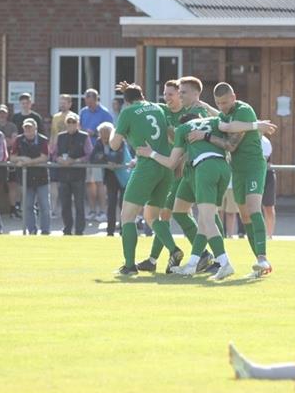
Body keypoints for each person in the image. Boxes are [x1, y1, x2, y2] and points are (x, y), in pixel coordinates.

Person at [136, 113, 276, 280]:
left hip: (204, 168)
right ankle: (193, 262)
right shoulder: (214, 120)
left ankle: (224, 263)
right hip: (222, 167)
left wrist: (150, 153)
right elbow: (231, 127)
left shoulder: (183, 129)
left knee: (207, 219)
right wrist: (257, 124)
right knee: (184, 211)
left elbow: (171, 163)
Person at [136, 78, 217, 274]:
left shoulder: (193, 113)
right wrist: (133, 92)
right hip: (170, 171)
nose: (169, 98)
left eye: (173, 94)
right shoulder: (162, 111)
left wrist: (179, 157)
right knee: (169, 214)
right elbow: (145, 108)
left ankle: (209, 256)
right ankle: (157, 259)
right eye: (166, 94)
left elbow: (190, 143)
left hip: (188, 170)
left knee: (201, 215)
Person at [201, 82, 274, 276]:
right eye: (218, 103)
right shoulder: (226, 113)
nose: (222, 106)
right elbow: (222, 119)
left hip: (253, 167)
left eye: (225, 102)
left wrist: (255, 125)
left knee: (253, 208)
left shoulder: (244, 110)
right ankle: (260, 264)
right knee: (245, 216)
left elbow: (230, 138)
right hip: (238, 170)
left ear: (234, 97)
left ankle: (263, 258)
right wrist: (206, 107)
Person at [109, 84, 180, 274]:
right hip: (165, 167)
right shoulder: (157, 107)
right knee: (151, 217)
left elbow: (115, 145)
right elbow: (171, 134)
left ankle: (130, 265)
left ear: (126, 101)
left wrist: (113, 130)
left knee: (127, 217)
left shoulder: (128, 112)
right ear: (143, 95)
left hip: (147, 167)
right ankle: (174, 250)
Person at [10, 118, 51, 235]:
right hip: (25, 179)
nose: (28, 130)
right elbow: (12, 158)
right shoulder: (18, 140)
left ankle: (45, 231)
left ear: (35, 128)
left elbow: (45, 157)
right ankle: (32, 230)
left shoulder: (43, 140)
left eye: (30, 127)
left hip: (41, 177)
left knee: (44, 206)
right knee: (27, 206)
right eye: (26, 128)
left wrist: (29, 162)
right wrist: (22, 158)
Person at [55, 112, 92, 236]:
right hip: (63, 175)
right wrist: (58, 159)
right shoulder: (60, 136)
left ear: (78, 124)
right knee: (65, 205)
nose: (71, 124)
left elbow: (89, 154)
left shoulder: (84, 136)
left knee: (79, 204)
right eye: (69, 122)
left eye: (73, 122)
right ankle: (67, 229)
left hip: (78, 175)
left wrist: (75, 161)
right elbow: (54, 153)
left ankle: (79, 230)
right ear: (66, 124)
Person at [79, 89, 113, 224]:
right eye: (86, 100)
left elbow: (110, 131)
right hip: (87, 153)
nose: (88, 103)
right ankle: (92, 210)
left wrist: (93, 133)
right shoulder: (83, 112)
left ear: (96, 99)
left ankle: (102, 211)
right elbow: (80, 126)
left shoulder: (105, 113)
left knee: (100, 183)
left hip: (99, 153)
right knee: (89, 183)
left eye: (90, 100)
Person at [90, 122, 127, 236]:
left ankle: (123, 229)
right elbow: (93, 158)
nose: (104, 137)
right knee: (111, 204)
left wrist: (104, 157)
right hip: (110, 177)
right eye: (102, 134)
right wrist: (108, 160)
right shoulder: (99, 142)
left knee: (123, 205)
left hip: (123, 176)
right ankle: (110, 231)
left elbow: (119, 158)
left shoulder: (119, 141)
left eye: (106, 133)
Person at [49, 94, 74, 217]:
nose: (62, 104)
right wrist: (51, 149)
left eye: (64, 102)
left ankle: (67, 210)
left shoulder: (74, 117)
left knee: (68, 183)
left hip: (69, 155)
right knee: (53, 182)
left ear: (70, 104)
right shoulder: (55, 117)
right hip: (56, 153)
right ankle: (52, 209)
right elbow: (53, 134)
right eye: (60, 102)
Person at [0, 104, 21, 218]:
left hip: (10, 158)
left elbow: (14, 141)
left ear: (7, 114)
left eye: (4, 112)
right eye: (0, 112)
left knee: (12, 184)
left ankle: (12, 209)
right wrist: (5, 140)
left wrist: (2, 141)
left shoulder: (12, 126)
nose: (2, 115)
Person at [261, 135, 277, 239]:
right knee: (252, 207)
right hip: (251, 173)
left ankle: (269, 236)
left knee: (268, 207)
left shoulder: (265, 142)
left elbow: (263, 160)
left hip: (266, 174)